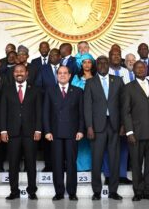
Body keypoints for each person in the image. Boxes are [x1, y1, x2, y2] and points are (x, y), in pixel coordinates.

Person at [122, 61, 149, 202]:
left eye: (142, 67)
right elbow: (125, 112)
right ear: (133, 70)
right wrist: (129, 132)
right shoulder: (128, 88)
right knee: (136, 163)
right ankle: (138, 191)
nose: (140, 69)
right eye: (137, 68)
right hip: (136, 133)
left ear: (146, 69)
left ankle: (148, 191)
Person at [84, 56, 124, 201]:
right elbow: (87, 107)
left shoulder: (118, 81)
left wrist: (123, 125)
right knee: (96, 159)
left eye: (105, 62)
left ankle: (113, 191)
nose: (102, 65)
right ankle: (96, 191)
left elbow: (123, 105)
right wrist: (89, 126)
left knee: (115, 159)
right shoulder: (90, 82)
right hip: (97, 127)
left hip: (115, 126)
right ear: (96, 65)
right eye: (99, 63)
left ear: (109, 65)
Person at [0, 64, 42, 200]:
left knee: (31, 163)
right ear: (13, 74)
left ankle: (31, 191)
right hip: (12, 132)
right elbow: (3, 112)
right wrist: (3, 130)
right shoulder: (6, 90)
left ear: (27, 73)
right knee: (13, 163)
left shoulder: (35, 90)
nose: (19, 73)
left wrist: (38, 129)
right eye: (17, 71)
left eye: (22, 71)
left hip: (30, 132)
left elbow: (39, 112)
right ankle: (14, 191)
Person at [43, 66, 84, 201]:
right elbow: (46, 113)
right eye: (59, 73)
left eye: (65, 73)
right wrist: (47, 131)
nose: (62, 75)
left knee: (71, 163)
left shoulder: (78, 91)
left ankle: (72, 192)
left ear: (70, 75)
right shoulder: (50, 91)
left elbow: (81, 114)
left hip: (72, 132)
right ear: (57, 75)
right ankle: (59, 192)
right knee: (57, 163)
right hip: (55, 133)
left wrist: (80, 130)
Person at [104, 49, 132, 185]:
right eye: (113, 55)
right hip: (106, 115)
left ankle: (122, 174)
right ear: (109, 57)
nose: (116, 57)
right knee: (106, 146)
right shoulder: (104, 70)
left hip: (123, 113)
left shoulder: (126, 72)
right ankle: (108, 175)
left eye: (118, 55)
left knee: (123, 146)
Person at [35, 48, 61, 172]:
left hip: (63, 108)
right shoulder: (43, 69)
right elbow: (38, 86)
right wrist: (50, 94)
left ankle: (62, 163)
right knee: (48, 138)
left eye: (55, 55)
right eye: (51, 55)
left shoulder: (65, 69)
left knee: (62, 137)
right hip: (48, 107)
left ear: (60, 57)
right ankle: (49, 164)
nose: (52, 57)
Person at [71, 53, 95, 172]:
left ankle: (94, 166)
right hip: (79, 112)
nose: (86, 64)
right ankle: (81, 167)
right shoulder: (76, 78)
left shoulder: (96, 77)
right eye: (84, 62)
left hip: (94, 113)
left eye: (89, 62)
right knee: (81, 140)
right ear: (81, 64)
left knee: (94, 140)